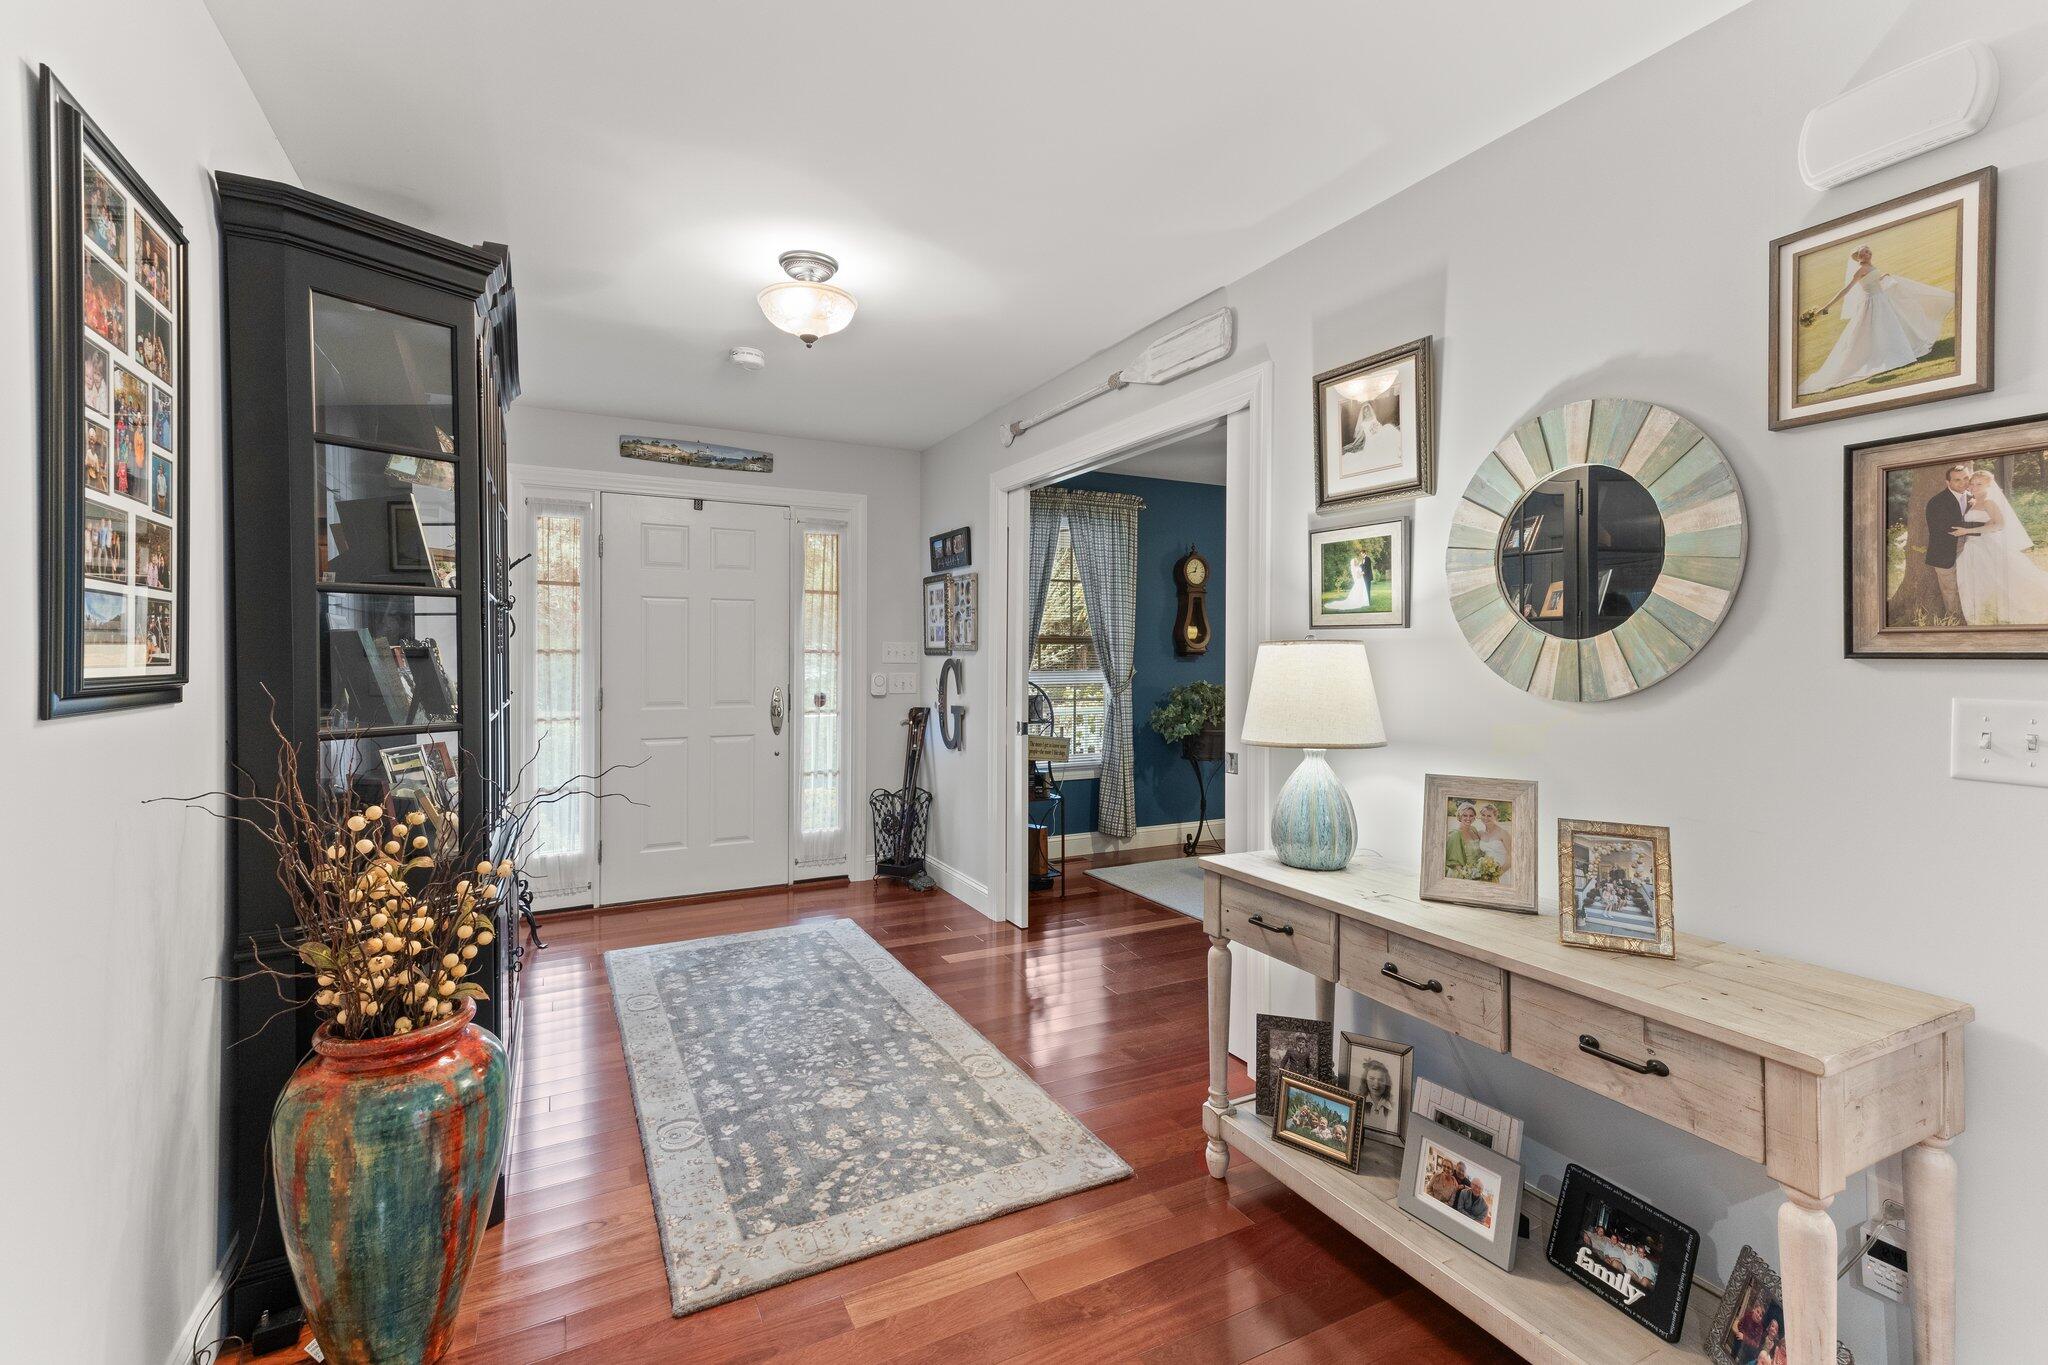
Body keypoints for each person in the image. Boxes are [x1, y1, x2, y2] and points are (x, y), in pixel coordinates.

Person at [1798, 243, 1954, 396]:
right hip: (1873, 303)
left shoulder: (1870, 266)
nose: (1866, 254)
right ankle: (1886, 355)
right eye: (1863, 253)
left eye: (1867, 251)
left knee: (1893, 326)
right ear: (1858, 258)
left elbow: (1873, 281)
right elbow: (1846, 289)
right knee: (1874, 331)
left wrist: (1883, 277)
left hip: (1882, 299)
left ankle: (1900, 348)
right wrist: (1826, 307)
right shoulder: (1861, 269)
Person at [1953, 470, 2048, 626]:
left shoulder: (1989, 502)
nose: (1974, 487)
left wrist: (1967, 531)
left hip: (1987, 545)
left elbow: (1999, 524)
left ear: (1989, 485)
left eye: (1979, 484)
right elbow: (1984, 522)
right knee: (1984, 581)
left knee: (2010, 578)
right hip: (1973, 547)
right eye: (1972, 483)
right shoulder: (1973, 502)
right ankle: (1988, 612)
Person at [1470, 803, 1512, 875]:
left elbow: (1512, 856)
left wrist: (1499, 873)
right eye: (1483, 815)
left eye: (1489, 816)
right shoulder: (1480, 833)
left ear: (1495, 816)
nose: (1485, 818)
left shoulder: (1503, 833)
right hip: (1486, 872)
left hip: (1503, 871)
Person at [1445, 802, 1482, 873]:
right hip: (1463, 872)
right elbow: (1454, 862)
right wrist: (1466, 874)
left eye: (1471, 816)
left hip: (1478, 871)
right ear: (1460, 816)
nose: (1468, 818)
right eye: (1465, 815)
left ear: (1474, 817)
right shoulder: (1455, 834)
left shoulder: (1473, 829)